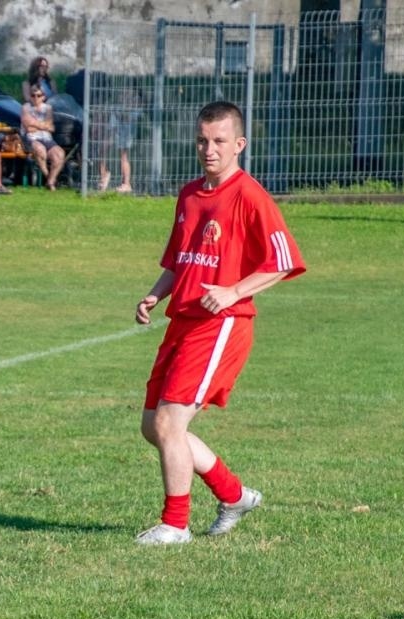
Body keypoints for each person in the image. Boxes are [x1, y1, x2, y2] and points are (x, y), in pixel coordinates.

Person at [132, 100, 305, 545]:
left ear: (239, 145)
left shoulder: (250, 195)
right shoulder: (190, 194)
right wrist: (156, 293)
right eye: (203, 141)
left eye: (220, 141)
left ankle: (175, 525)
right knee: (154, 426)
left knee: (171, 424)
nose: (209, 149)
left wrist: (233, 291)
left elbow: (282, 261)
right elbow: (179, 258)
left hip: (222, 324)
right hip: (182, 320)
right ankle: (234, 495)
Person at [21, 85, 66, 190]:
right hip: (32, 138)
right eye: (33, 95)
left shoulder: (48, 108)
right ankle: (49, 179)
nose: (36, 98)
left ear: (43, 97)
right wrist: (44, 125)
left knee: (59, 154)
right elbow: (28, 126)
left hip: (47, 138)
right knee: (40, 150)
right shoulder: (26, 107)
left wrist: (35, 124)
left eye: (38, 95)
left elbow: (51, 127)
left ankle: (51, 180)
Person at [99, 85, 141, 193]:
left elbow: (126, 119)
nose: (124, 97)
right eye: (122, 94)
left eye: (128, 95)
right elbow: (112, 124)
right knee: (102, 148)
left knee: (123, 156)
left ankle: (126, 184)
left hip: (127, 135)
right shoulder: (117, 107)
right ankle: (104, 176)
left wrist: (119, 114)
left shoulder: (135, 109)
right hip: (115, 133)